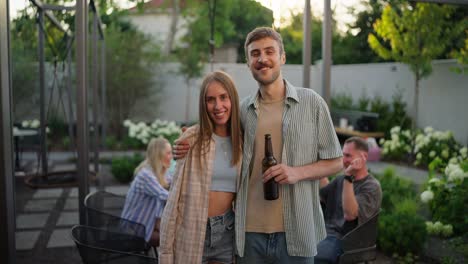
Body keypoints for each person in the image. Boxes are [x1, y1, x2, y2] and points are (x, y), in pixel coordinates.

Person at [173, 27, 343, 263]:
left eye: (269, 51)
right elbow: (214, 129)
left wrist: (296, 172)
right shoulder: (242, 110)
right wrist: (186, 141)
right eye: (255, 54)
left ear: (282, 57)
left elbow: (336, 161)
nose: (262, 59)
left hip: (297, 232)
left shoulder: (311, 103)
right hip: (248, 235)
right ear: (248, 62)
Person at [158, 70, 243, 264]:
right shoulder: (191, 139)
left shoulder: (243, 141)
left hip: (227, 233)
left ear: (233, 99)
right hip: (192, 231)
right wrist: (165, 253)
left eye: (223, 97)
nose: (218, 106)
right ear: (203, 104)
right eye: (210, 99)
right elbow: (173, 201)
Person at [315, 137, 382, 263]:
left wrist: (348, 178)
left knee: (310, 257)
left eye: (348, 156)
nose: (343, 160)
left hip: (346, 240)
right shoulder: (341, 179)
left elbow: (350, 215)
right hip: (325, 232)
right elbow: (323, 194)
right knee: (292, 251)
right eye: (343, 155)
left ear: (364, 157)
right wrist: (318, 166)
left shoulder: (371, 186)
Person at [121, 137, 173, 247]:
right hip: (135, 229)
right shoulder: (146, 175)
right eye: (168, 153)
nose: (171, 157)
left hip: (148, 224)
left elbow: (175, 183)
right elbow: (167, 197)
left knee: (178, 232)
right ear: (159, 155)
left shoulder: (162, 173)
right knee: (176, 239)